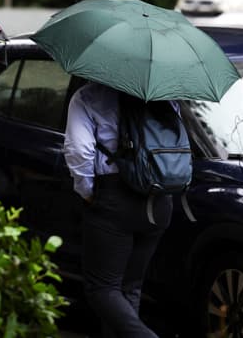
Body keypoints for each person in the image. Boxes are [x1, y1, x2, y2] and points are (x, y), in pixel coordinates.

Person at [64, 82, 176, 338]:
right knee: (129, 288)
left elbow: (79, 151)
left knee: (102, 289)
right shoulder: (164, 94)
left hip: (114, 198)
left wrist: (88, 192)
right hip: (159, 199)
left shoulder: (87, 97)